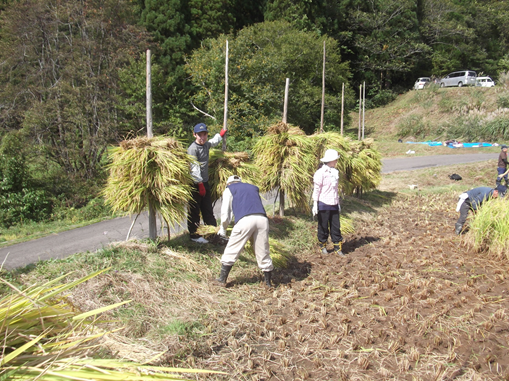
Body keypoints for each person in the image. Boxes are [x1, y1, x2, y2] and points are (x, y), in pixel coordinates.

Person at [214, 175, 273, 287]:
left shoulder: (229, 189)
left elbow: (225, 213)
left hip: (245, 220)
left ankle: (222, 279)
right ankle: (268, 283)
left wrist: (223, 229)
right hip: (262, 220)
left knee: (232, 249)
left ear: (228, 183)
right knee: (263, 250)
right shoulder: (252, 187)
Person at [187, 123, 227, 243]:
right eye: (200, 135)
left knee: (207, 209)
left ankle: (212, 233)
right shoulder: (192, 149)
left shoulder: (206, 145)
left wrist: (220, 135)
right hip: (195, 184)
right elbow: (194, 168)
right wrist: (199, 184)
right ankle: (194, 235)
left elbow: (213, 142)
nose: (202, 137)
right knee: (194, 210)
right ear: (194, 135)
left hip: (204, 183)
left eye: (204, 134)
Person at [312, 149, 344, 256]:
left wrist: (338, 203)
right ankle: (323, 246)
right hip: (324, 204)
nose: (336, 162)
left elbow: (335, 190)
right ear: (330, 160)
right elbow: (317, 189)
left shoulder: (335, 172)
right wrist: (315, 204)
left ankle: (337, 248)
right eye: (335, 160)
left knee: (336, 226)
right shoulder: (320, 173)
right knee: (323, 226)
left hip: (334, 203)